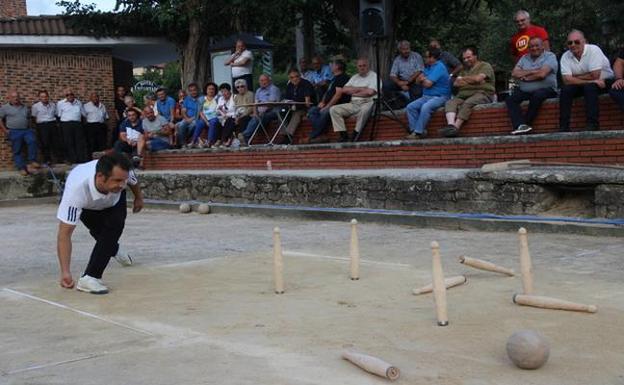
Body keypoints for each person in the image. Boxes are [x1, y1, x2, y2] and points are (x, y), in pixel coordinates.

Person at [56, 152, 143, 294]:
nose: (122, 185)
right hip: (88, 206)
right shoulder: (76, 191)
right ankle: (113, 249)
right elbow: (64, 235)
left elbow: (132, 181)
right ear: (100, 177)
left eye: (123, 181)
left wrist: (138, 198)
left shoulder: (123, 174)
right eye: (117, 181)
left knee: (114, 228)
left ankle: (90, 277)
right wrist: (65, 272)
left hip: (114, 203)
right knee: (100, 233)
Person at [559, 30, 614, 132]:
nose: (573, 45)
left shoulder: (593, 50)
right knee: (566, 90)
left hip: (605, 82)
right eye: (570, 42)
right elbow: (566, 80)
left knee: (590, 88)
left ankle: (592, 124)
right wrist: (589, 80)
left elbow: (595, 75)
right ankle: (563, 126)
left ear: (584, 41)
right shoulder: (565, 56)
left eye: (577, 42)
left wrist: (574, 76)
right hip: (589, 83)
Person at [505, 37, 558, 135]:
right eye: (531, 46)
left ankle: (525, 123)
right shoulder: (524, 58)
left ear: (542, 46)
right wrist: (534, 71)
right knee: (510, 99)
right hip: (526, 91)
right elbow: (514, 73)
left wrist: (527, 77)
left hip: (547, 89)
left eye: (537, 45)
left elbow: (542, 74)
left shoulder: (550, 56)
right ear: (528, 48)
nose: (534, 48)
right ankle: (520, 125)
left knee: (537, 95)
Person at [442, 46, 495, 137]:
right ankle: (450, 125)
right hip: (463, 94)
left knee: (468, 103)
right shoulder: (464, 69)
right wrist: (473, 80)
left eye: (468, 57)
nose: (466, 60)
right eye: (464, 58)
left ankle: (456, 128)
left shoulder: (485, 66)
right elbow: (456, 84)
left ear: (475, 56)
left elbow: (478, 78)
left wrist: (463, 79)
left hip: (482, 93)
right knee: (450, 102)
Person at [329, 57, 380, 142]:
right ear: (357, 67)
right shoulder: (354, 77)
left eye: (364, 65)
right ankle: (343, 135)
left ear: (368, 66)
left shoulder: (374, 76)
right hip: (354, 103)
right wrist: (362, 88)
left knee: (364, 111)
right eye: (360, 66)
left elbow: (370, 92)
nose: (362, 67)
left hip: (367, 102)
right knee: (334, 109)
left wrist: (353, 91)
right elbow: (344, 90)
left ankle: (355, 135)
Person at [405, 48, 451, 139]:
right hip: (426, 96)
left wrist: (423, 80)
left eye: (426, 57)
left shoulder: (439, 67)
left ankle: (418, 132)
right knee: (410, 107)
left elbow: (428, 84)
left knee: (426, 107)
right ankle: (414, 131)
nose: (424, 59)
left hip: (440, 96)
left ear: (432, 58)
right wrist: (423, 80)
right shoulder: (428, 67)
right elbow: (417, 81)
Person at [307, 59, 351, 144]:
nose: (330, 66)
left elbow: (338, 95)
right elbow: (328, 92)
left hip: (337, 105)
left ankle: (312, 136)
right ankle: (321, 134)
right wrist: (322, 102)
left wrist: (327, 106)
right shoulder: (334, 78)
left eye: (332, 64)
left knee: (324, 113)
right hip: (327, 104)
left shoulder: (343, 77)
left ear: (337, 67)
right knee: (312, 111)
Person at [0, 90, 39, 176]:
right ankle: (21, 168)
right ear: (9, 98)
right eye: (13, 97)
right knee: (17, 150)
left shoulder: (24, 107)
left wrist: (31, 128)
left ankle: (32, 161)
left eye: (17, 96)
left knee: (32, 141)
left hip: (26, 130)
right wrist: (5, 130)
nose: (16, 98)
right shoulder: (4, 108)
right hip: (14, 131)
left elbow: (29, 118)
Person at [274, 68, 313, 145]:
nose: (295, 79)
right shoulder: (290, 85)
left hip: (304, 108)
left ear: (300, 76)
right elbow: (286, 99)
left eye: (296, 76)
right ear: (289, 78)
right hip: (292, 107)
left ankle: (289, 136)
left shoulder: (306, 84)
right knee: (281, 112)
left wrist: (307, 113)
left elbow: (307, 102)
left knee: (297, 114)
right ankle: (284, 134)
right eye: (292, 77)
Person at [240, 74, 281, 146]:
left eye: (264, 80)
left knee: (259, 117)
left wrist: (261, 112)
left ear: (269, 80)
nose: (263, 82)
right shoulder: (258, 90)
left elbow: (271, 104)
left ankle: (245, 136)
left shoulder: (273, 89)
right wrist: (255, 113)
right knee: (247, 118)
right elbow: (255, 104)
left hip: (273, 112)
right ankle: (244, 139)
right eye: (261, 81)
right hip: (261, 113)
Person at [31, 90, 62, 165]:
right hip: (42, 126)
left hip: (52, 124)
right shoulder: (35, 106)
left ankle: (58, 160)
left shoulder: (53, 105)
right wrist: (37, 127)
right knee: (45, 143)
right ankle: (47, 160)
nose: (44, 98)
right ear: (39, 98)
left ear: (48, 97)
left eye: (45, 96)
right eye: (42, 97)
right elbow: (33, 118)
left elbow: (56, 115)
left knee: (55, 143)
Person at [57, 89, 86, 163]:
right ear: (65, 96)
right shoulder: (60, 103)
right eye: (67, 95)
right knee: (68, 142)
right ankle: (72, 159)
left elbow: (83, 114)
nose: (69, 96)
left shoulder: (79, 103)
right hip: (66, 124)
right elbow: (59, 115)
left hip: (77, 124)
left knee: (79, 142)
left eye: (71, 94)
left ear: (74, 95)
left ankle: (80, 159)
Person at [189, 82, 219, 148]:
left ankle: (209, 142)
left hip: (215, 117)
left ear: (215, 90)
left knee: (213, 122)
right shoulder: (202, 99)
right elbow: (200, 112)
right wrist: (206, 121)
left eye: (213, 89)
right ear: (206, 90)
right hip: (204, 117)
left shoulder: (218, 98)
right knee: (200, 123)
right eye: (209, 89)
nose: (211, 91)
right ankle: (193, 142)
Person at [82, 92, 109, 158]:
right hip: (91, 126)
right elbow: (83, 116)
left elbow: (106, 117)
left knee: (102, 143)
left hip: (101, 125)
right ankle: (91, 158)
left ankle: (102, 158)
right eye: (93, 97)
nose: (95, 98)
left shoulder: (102, 105)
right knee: (92, 143)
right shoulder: (86, 106)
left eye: (96, 96)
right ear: (90, 98)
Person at [176, 83, 202, 147]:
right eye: (191, 91)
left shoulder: (202, 98)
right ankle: (183, 143)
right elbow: (183, 111)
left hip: (197, 118)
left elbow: (200, 111)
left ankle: (185, 137)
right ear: (189, 92)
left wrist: (192, 118)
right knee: (181, 125)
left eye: (194, 90)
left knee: (193, 125)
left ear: (198, 90)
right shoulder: (187, 99)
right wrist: (186, 118)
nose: (193, 92)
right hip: (187, 118)